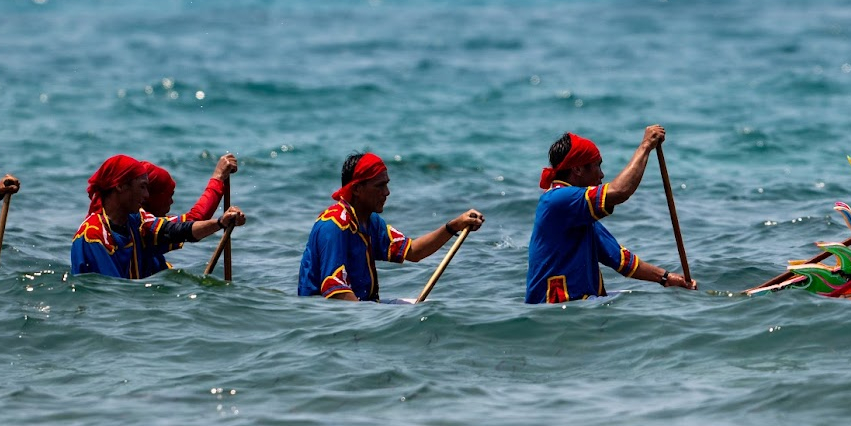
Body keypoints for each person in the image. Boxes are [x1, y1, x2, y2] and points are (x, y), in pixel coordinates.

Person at [525, 125, 697, 304]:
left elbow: (622, 261)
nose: (601, 174)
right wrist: (646, 145)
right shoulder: (558, 199)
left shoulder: (578, 216)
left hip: (576, 308)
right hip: (557, 311)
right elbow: (619, 191)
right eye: (597, 166)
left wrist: (667, 278)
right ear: (577, 169)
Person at [298, 151, 484, 301]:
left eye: (386, 185)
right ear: (357, 189)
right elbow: (335, 290)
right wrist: (373, 323)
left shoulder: (371, 222)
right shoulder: (334, 225)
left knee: (428, 310)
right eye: (379, 186)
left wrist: (455, 226)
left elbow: (413, 251)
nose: (387, 192)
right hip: (325, 318)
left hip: (360, 309)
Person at [71, 155, 245, 279]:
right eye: (143, 187)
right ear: (120, 187)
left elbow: (179, 230)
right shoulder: (93, 235)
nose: (147, 195)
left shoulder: (137, 222)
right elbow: (111, 296)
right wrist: (217, 179)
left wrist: (220, 223)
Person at [140, 153, 239, 274]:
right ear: (150, 198)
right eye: (168, 196)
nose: (171, 201)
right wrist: (218, 177)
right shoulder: (142, 223)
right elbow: (193, 220)